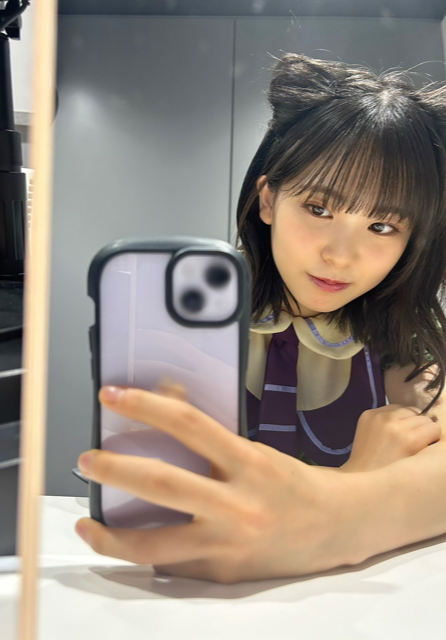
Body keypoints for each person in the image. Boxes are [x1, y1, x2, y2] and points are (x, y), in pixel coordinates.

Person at [74, 54, 446, 583]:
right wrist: (355, 481)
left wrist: (336, 508)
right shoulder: (188, 325)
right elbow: (151, 495)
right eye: (319, 209)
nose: (341, 255)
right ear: (268, 200)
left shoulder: (397, 337)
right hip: (176, 591)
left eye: (382, 226)